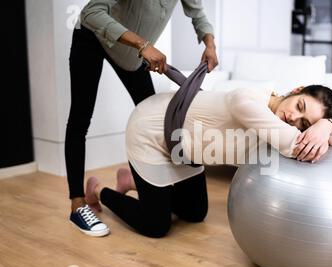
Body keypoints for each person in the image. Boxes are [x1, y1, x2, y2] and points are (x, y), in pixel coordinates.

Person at [84, 84, 332, 238]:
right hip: (152, 132)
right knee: (156, 226)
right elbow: (295, 146)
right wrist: (323, 127)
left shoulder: (283, 121)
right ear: (296, 90)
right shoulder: (246, 101)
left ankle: (135, 180)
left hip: (185, 150)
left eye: (304, 123)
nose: (294, 118)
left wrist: (327, 125)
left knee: (195, 214)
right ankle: (99, 190)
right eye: (300, 106)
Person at [66, 0, 219, 237]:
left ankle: (136, 183)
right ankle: (79, 202)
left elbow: (197, 12)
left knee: (156, 123)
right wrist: (143, 45)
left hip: (130, 55)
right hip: (93, 38)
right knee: (80, 119)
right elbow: (91, 12)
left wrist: (209, 43)